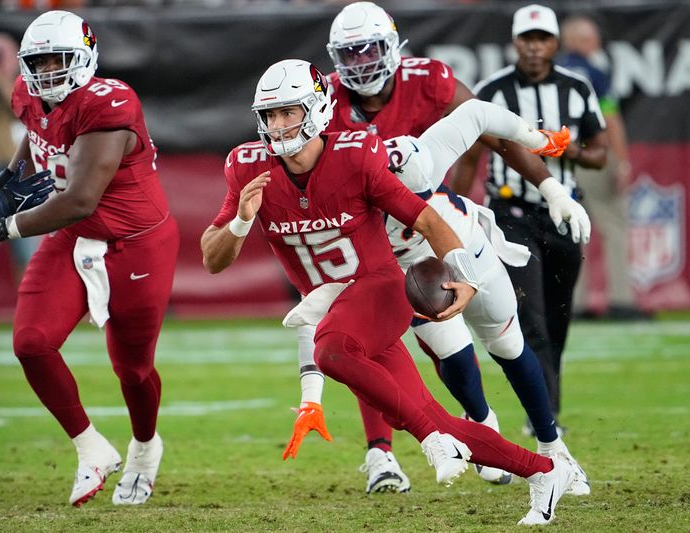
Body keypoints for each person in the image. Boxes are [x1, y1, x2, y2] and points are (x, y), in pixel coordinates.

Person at [201, 58, 575, 526]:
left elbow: (427, 218)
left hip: (382, 287)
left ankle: (429, 439)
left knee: (334, 350)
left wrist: (463, 276)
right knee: (432, 413)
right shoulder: (246, 168)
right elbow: (213, 259)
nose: (277, 126)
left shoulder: (359, 155)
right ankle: (544, 471)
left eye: (288, 112)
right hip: (337, 300)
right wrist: (240, 221)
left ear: (316, 110)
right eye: (270, 115)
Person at [320, 0, 591, 493]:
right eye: (349, 54)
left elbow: (488, 122)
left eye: (369, 51)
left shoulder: (428, 120)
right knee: (450, 348)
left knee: (508, 340)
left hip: (453, 232)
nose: (360, 64)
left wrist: (552, 184)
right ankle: (483, 426)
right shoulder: (328, 118)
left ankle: (553, 446)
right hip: (399, 255)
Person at [0, 10, 180, 507]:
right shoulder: (26, 94)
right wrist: (6, 183)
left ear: (85, 56)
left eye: (57, 60)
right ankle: (91, 448)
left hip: (136, 243)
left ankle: (144, 448)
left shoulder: (110, 103)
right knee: (30, 342)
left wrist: (3, 226)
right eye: (37, 62)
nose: (46, 72)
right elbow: (37, 137)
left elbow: (81, 197)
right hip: (72, 237)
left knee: (132, 369)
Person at [451, 4, 607, 434]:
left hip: (563, 212)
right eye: (527, 39)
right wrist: (452, 211)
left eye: (542, 39)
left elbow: (600, 153)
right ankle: (545, 417)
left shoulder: (577, 88)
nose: (534, 48)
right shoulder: (492, 90)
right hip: (511, 215)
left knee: (557, 318)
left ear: (555, 43)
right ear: (515, 42)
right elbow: (470, 156)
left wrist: (568, 151)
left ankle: (548, 403)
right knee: (532, 317)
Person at [558, 15, 651, 321]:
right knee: (614, 227)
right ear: (580, 41)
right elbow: (609, 119)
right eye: (592, 38)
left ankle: (575, 304)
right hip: (591, 158)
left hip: (557, 160)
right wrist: (621, 161)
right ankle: (621, 301)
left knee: (571, 233)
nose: (596, 44)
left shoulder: (549, 72)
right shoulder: (594, 74)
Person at [0, 33, 46, 319]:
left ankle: (30, 313)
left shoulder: (2, 88)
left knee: (25, 247)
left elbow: (18, 109)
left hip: (11, 172)